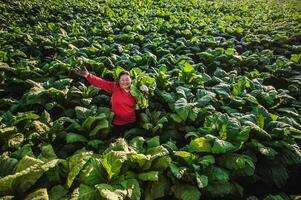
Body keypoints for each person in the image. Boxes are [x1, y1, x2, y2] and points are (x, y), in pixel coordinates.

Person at [74, 66, 138, 138]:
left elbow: (145, 100)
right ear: (119, 81)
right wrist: (88, 75)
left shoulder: (136, 91)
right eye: (122, 80)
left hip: (131, 122)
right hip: (117, 123)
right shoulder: (114, 87)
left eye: (127, 79)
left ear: (131, 80)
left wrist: (145, 90)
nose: (125, 82)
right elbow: (101, 82)